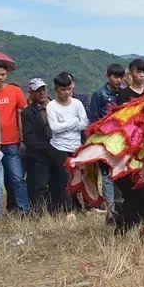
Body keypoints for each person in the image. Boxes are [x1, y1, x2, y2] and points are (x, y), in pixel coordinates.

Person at [0, 58, 29, 216]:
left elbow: (21, 116)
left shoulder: (15, 91)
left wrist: (22, 139)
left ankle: (24, 210)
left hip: (12, 142)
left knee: (17, 178)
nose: (0, 77)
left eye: (3, 74)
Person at [46, 73, 89, 212]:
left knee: (77, 178)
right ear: (56, 90)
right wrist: (74, 121)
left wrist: (65, 124)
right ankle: (68, 209)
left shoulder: (77, 103)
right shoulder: (51, 106)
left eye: (69, 89)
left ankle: (79, 206)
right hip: (59, 147)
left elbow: (84, 123)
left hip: (75, 147)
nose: (67, 92)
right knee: (64, 179)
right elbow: (54, 128)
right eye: (63, 90)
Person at [88, 63, 124, 218]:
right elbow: (94, 119)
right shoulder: (99, 94)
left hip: (121, 141)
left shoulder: (123, 94)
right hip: (105, 140)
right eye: (115, 76)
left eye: (121, 77)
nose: (118, 80)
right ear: (108, 76)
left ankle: (120, 210)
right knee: (108, 176)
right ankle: (111, 213)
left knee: (120, 174)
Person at [21, 78, 56, 212]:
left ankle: (58, 210)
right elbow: (28, 136)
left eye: (43, 89)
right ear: (31, 93)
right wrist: (47, 148)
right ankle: (39, 212)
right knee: (39, 185)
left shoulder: (56, 106)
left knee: (58, 183)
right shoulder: (27, 112)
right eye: (37, 91)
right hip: (38, 155)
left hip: (59, 152)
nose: (42, 93)